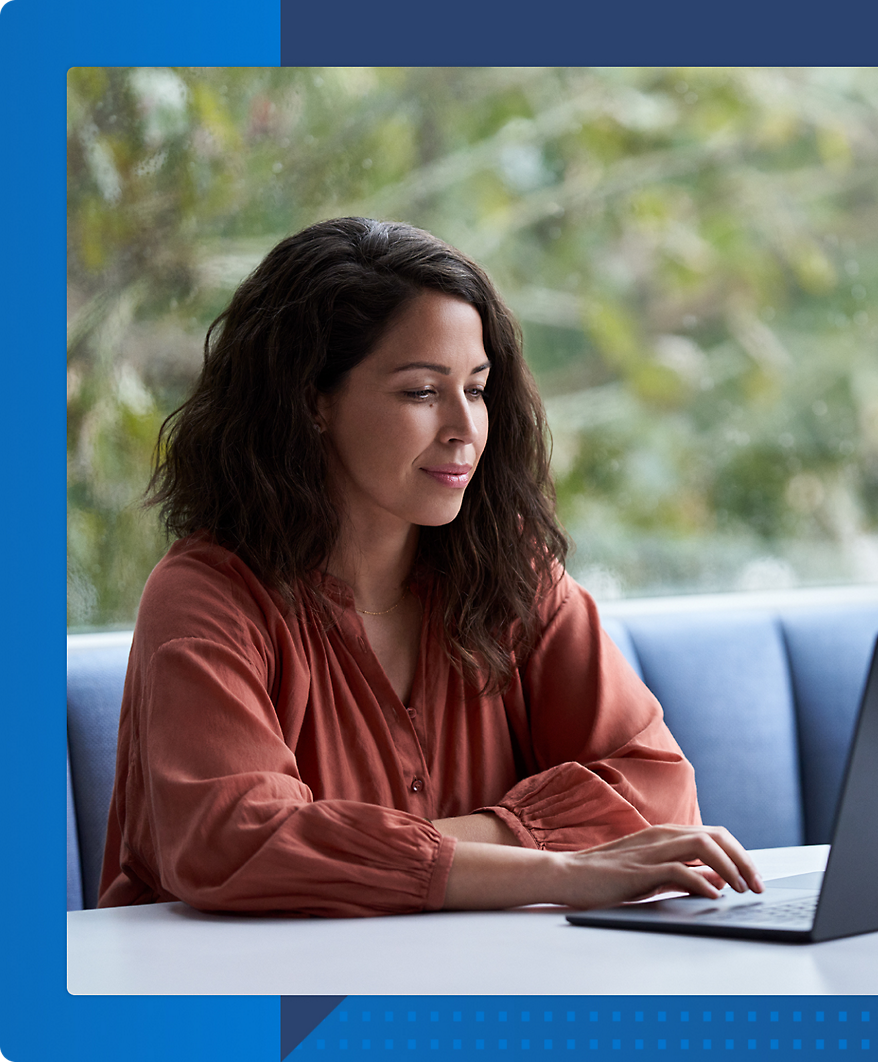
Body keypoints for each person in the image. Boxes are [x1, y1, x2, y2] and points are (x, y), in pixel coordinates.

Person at [98, 217, 762, 917]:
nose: (465, 427)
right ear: (311, 402)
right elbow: (237, 844)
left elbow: (657, 790)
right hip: (232, 1009)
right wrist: (562, 869)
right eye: (421, 392)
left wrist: (384, 852)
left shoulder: (509, 571)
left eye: (476, 389)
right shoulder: (206, 598)